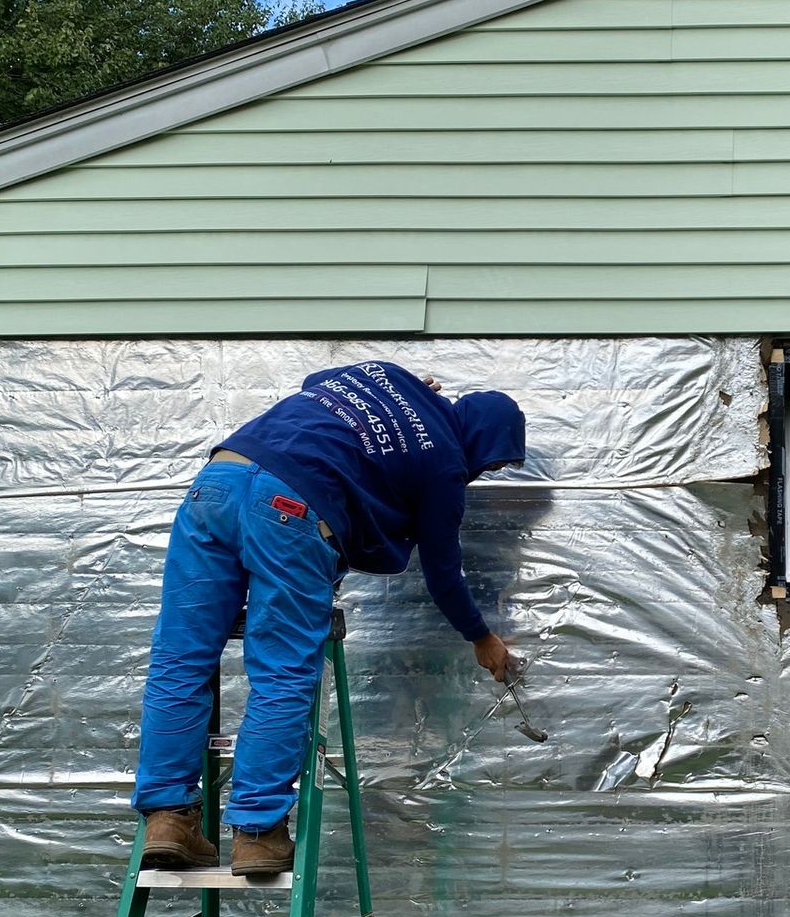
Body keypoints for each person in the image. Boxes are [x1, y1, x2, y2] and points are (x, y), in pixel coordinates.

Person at [130, 360, 526, 877]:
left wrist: (401, 397)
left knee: (180, 658)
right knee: (282, 672)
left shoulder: (387, 375)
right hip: (288, 507)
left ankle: (168, 820)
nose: (483, 473)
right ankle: (256, 831)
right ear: (482, 438)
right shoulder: (445, 461)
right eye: (491, 463)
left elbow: (315, 383)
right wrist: (482, 637)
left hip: (217, 483)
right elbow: (443, 573)